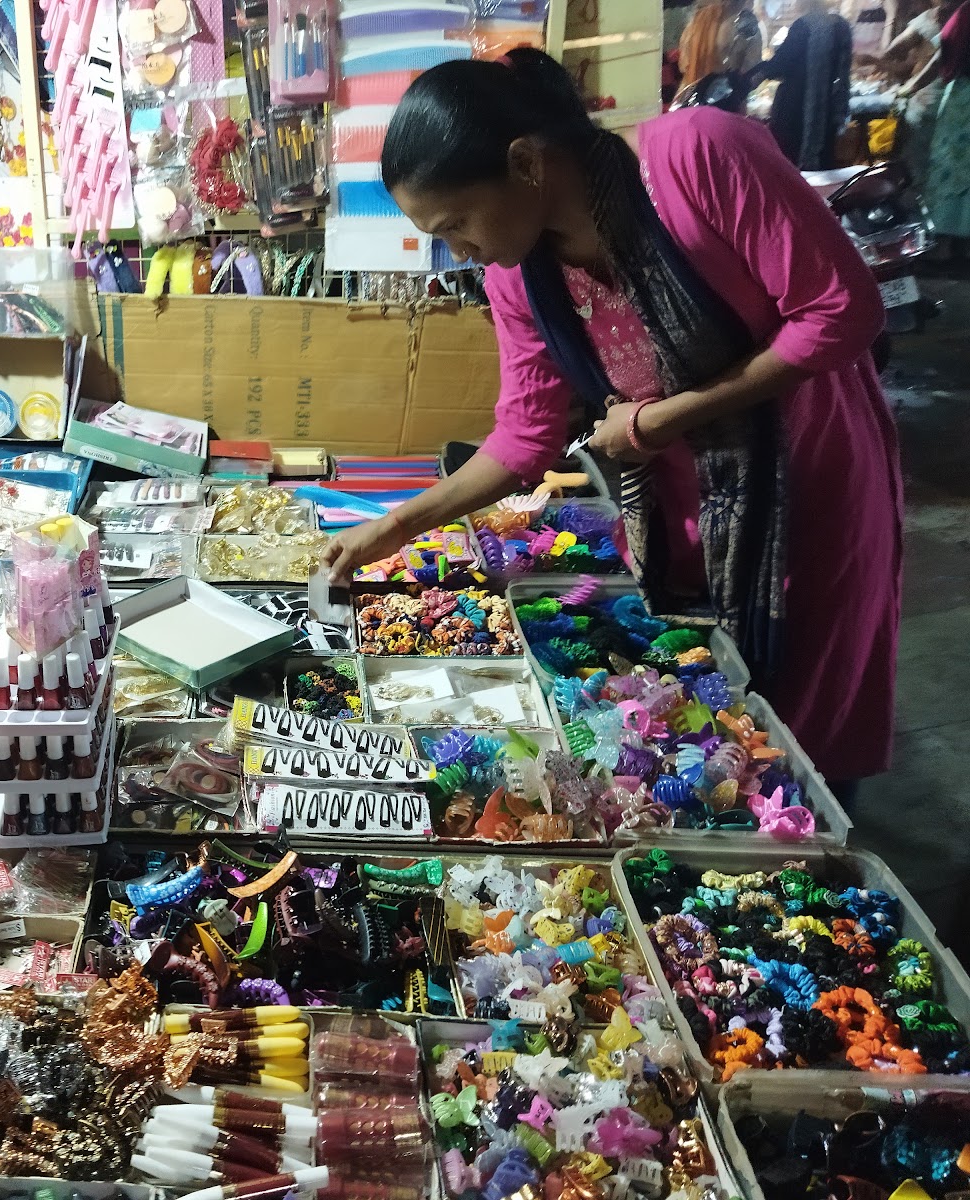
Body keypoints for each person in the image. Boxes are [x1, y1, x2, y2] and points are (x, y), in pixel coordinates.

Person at [323, 49, 902, 787]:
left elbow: (841, 311)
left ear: (526, 163)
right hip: (689, 507)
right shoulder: (517, 276)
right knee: (719, 726)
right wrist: (398, 526)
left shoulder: (698, 156)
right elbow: (526, 435)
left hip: (813, 480)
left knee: (806, 726)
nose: (457, 250)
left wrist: (658, 422)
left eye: (459, 222)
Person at [751, 0, 854, 167]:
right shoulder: (842, 27)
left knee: (791, 160)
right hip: (827, 108)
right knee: (821, 163)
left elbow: (782, 62)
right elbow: (844, 73)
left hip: (797, 106)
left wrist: (757, 74)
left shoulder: (803, 26)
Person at [869, 0, 960, 185]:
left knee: (908, 170)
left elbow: (892, 51)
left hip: (922, 106)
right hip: (954, 113)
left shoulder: (932, 19)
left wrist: (891, 16)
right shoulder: (961, 17)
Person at [912, 3, 970, 242]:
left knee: (950, 167)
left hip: (963, 98)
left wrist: (910, 88)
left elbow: (945, 53)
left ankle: (945, 242)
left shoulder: (966, 14)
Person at [678, 0, 766, 96]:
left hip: (691, 99)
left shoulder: (696, 22)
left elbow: (683, 65)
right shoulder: (746, 25)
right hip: (726, 101)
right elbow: (751, 72)